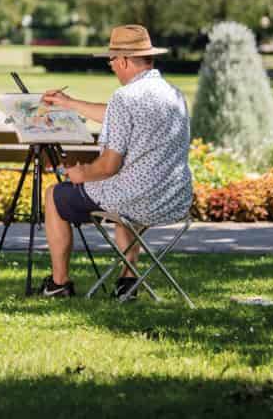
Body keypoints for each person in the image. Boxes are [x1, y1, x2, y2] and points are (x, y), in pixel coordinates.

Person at [38, 24, 193, 298]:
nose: (111, 65)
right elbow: (117, 116)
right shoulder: (173, 94)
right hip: (175, 199)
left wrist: (80, 173)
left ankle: (59, 283)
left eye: (111, 60)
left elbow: (108, 166)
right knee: (125, 197)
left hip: (138, 199)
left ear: (123, 60)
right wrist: (70, 103)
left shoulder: (125, 97)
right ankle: (127, 281)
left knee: (55, 195)